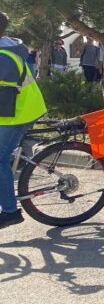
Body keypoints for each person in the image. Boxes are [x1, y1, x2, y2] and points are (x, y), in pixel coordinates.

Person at [0, 12, 47, 229]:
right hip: (12, 111)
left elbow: (4, 100)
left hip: (19, 113)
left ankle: (10, 212)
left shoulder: (4, 57)